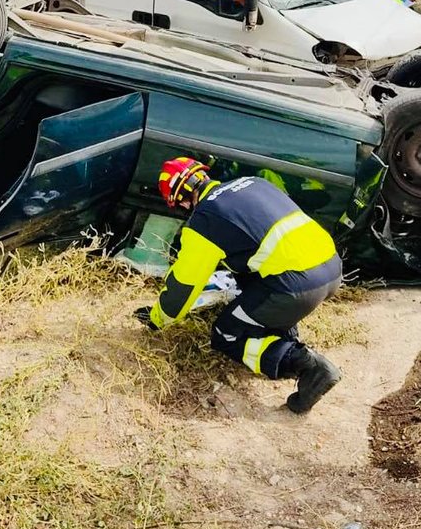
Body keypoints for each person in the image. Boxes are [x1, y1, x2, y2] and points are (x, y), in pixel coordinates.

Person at [135, 158, 343, 413]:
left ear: (182, 200)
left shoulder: (205, 219)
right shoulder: (253, 183)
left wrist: (158, 319)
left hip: (296, 289)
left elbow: (184, 285)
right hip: (331, 267)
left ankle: (307, 366)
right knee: (247, 279)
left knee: (226, 334)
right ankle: (282, 332)